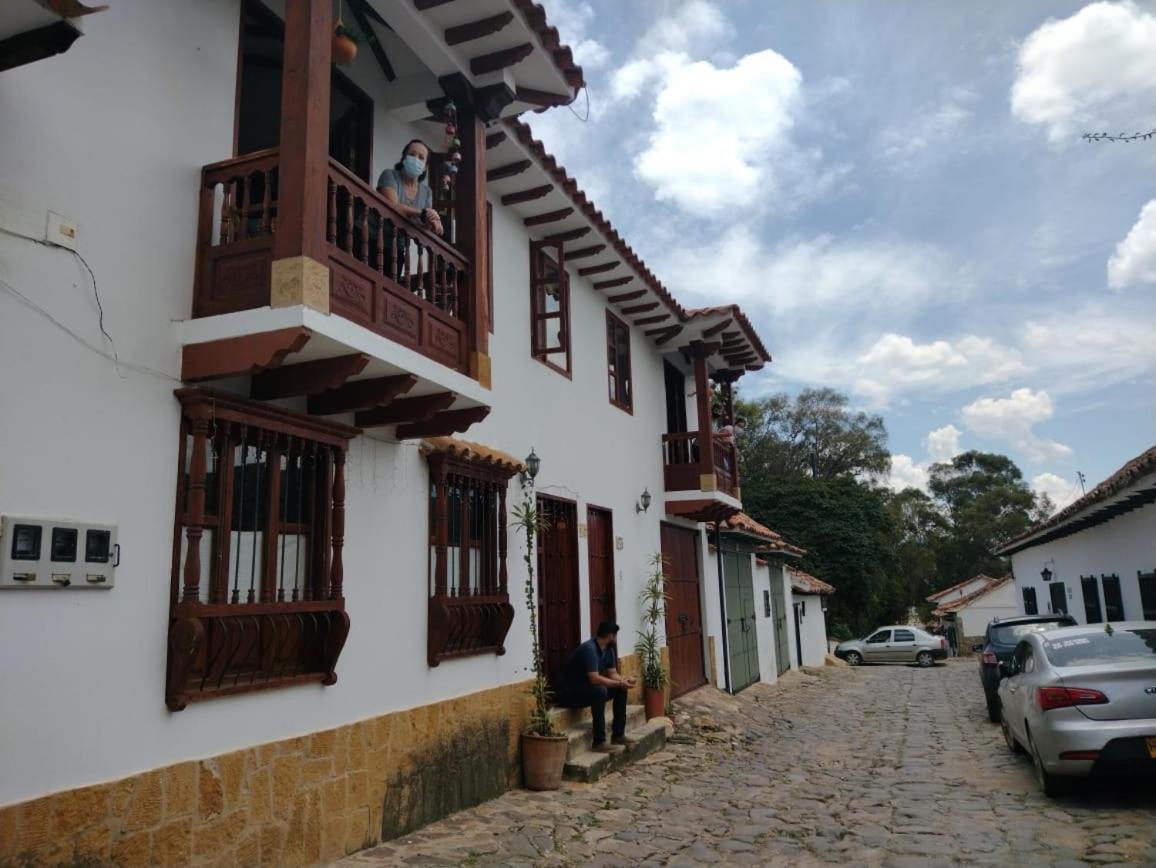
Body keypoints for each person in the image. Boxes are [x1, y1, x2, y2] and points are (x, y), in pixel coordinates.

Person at [557, 621, 636, 752]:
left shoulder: (608, 650)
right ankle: (599, 742)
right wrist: (620, 682)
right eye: (615, 635)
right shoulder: (589, 648)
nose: (616, 638)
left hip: (587, 690)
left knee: (620, 689)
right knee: (600, 691)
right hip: (570, 694)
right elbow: (594, 679)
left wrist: (624, 680)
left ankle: (618, 734)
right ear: (611, 635)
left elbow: (613, 674)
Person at [376, 139, 444, 237]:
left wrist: (434, 221)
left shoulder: (427, 192)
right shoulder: (390, 175)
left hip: (397, 241)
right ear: (404, 158)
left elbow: (425, 225)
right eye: (412, 155)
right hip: (373, 234)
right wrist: (423, 213)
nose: (416, 159)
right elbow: (392, 207)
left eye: (421, 157)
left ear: (425, 167)